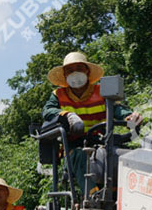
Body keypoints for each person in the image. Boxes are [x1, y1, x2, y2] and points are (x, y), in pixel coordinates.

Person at [42, 51, 142, 194]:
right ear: (65, 75)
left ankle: (122, 194)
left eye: (79, 68)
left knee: (127, 155)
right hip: (73, 145)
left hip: (100, 141)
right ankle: (93, 197)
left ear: (87, 71)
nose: (75, 73)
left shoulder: (101, 91)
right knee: (80, 155)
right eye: (70, 70)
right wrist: (67, 115)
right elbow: (47, 111)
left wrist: (130, 116)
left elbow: (117, 109)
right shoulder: (58, 95)